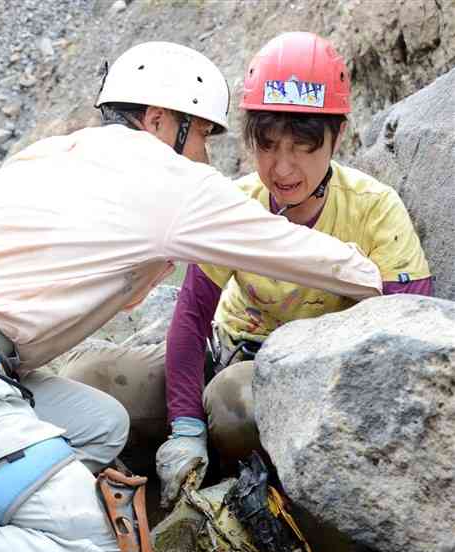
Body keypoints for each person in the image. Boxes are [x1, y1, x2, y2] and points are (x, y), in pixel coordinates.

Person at [0, 40, 381, 552]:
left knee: (102, 423)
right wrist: (386, 280)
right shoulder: (170, 180)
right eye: (202, 135)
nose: (206, 155)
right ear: (161, 120)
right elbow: (313, 257)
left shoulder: (52, 154)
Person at [150, 31, 431, 506]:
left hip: (328, 372)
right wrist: (184, 427)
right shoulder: (238, 206)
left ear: (337, 135)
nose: (283, 169)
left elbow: (410, 328)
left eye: (303, 147)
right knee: (116, 383)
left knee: (234, 406)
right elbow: (192, 316)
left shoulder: (374, 209)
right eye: (267, 146)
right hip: (239, 350)